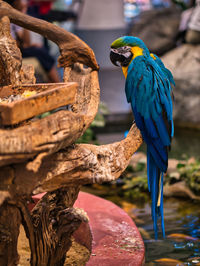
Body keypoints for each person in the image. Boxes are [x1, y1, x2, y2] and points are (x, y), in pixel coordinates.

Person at [5, 0, 61, 83]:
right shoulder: (6, 19)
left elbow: (26, 42)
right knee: (41, 53)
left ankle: (53, 82)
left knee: (41, 50)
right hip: (11, 51)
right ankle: (57, 82)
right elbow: (18, 44)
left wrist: (23, 19)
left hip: (19, 49)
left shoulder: (15, 19)